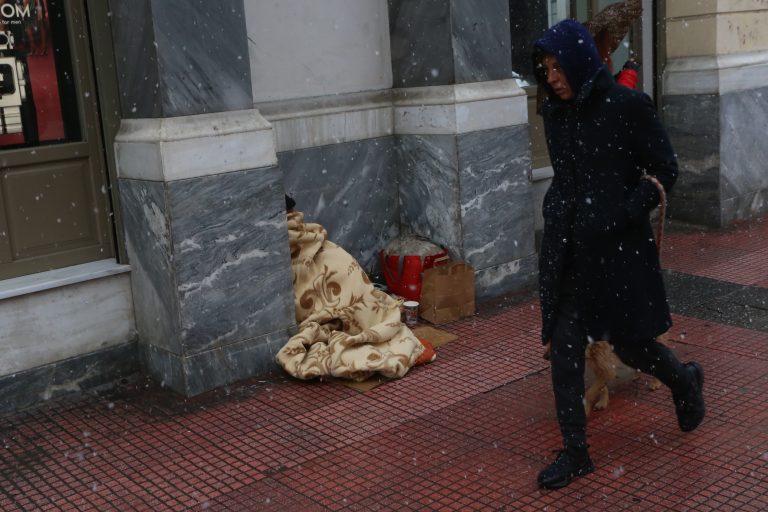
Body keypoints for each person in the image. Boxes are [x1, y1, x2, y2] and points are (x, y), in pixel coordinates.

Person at [532, 19, 705, 490]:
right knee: (565, 351)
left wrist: (622, 213)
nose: (551, 76)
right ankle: (576, 452)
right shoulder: (556, 114)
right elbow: (568, 180)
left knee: (632, 346)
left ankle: (685, 381)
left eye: (557, 66)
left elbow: (664, 168)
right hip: (569, 251)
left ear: (580, 60)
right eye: (545, 68)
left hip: (618, 253)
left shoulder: (627, 106)